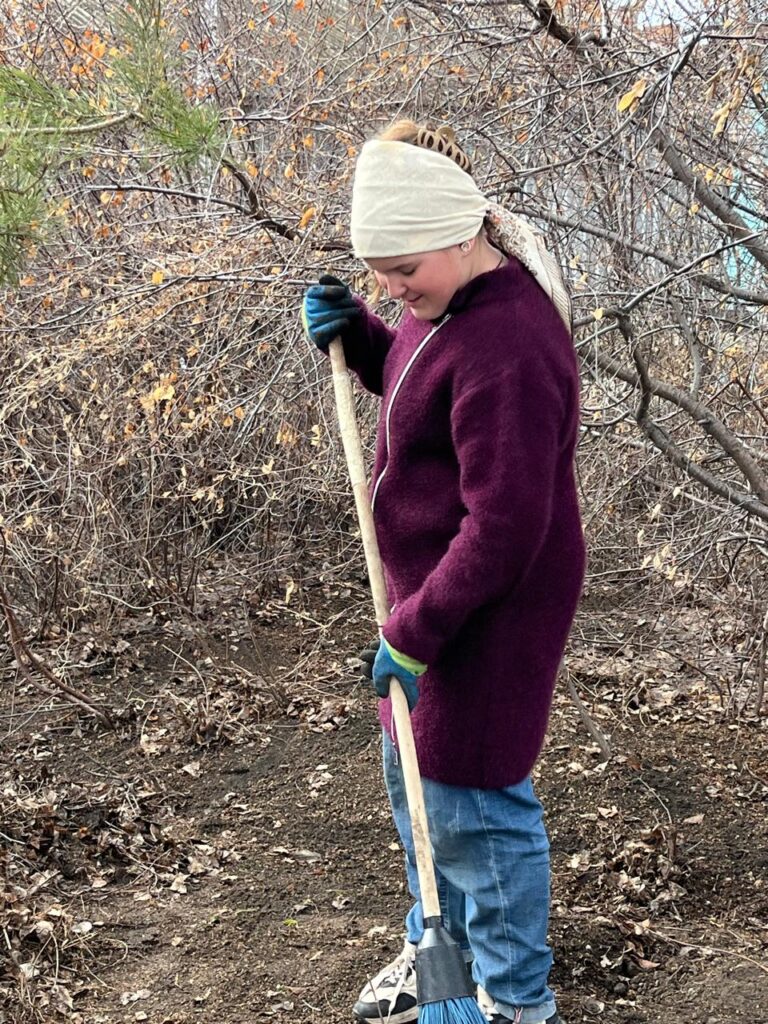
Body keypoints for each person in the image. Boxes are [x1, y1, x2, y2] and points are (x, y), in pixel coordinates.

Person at [301, 121, 585, 1024]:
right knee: (419, 776)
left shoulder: (510, 345)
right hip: (434, 597)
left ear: (461, 234)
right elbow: (427, 391)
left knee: (474, 802)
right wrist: (366, 337)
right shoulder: (450, 307)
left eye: (402, 270)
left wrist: (415, 635)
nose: (393, 288)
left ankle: (515, 999)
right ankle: (441, 959)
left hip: (489, 607)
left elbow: (504, 525)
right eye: (377, 273)